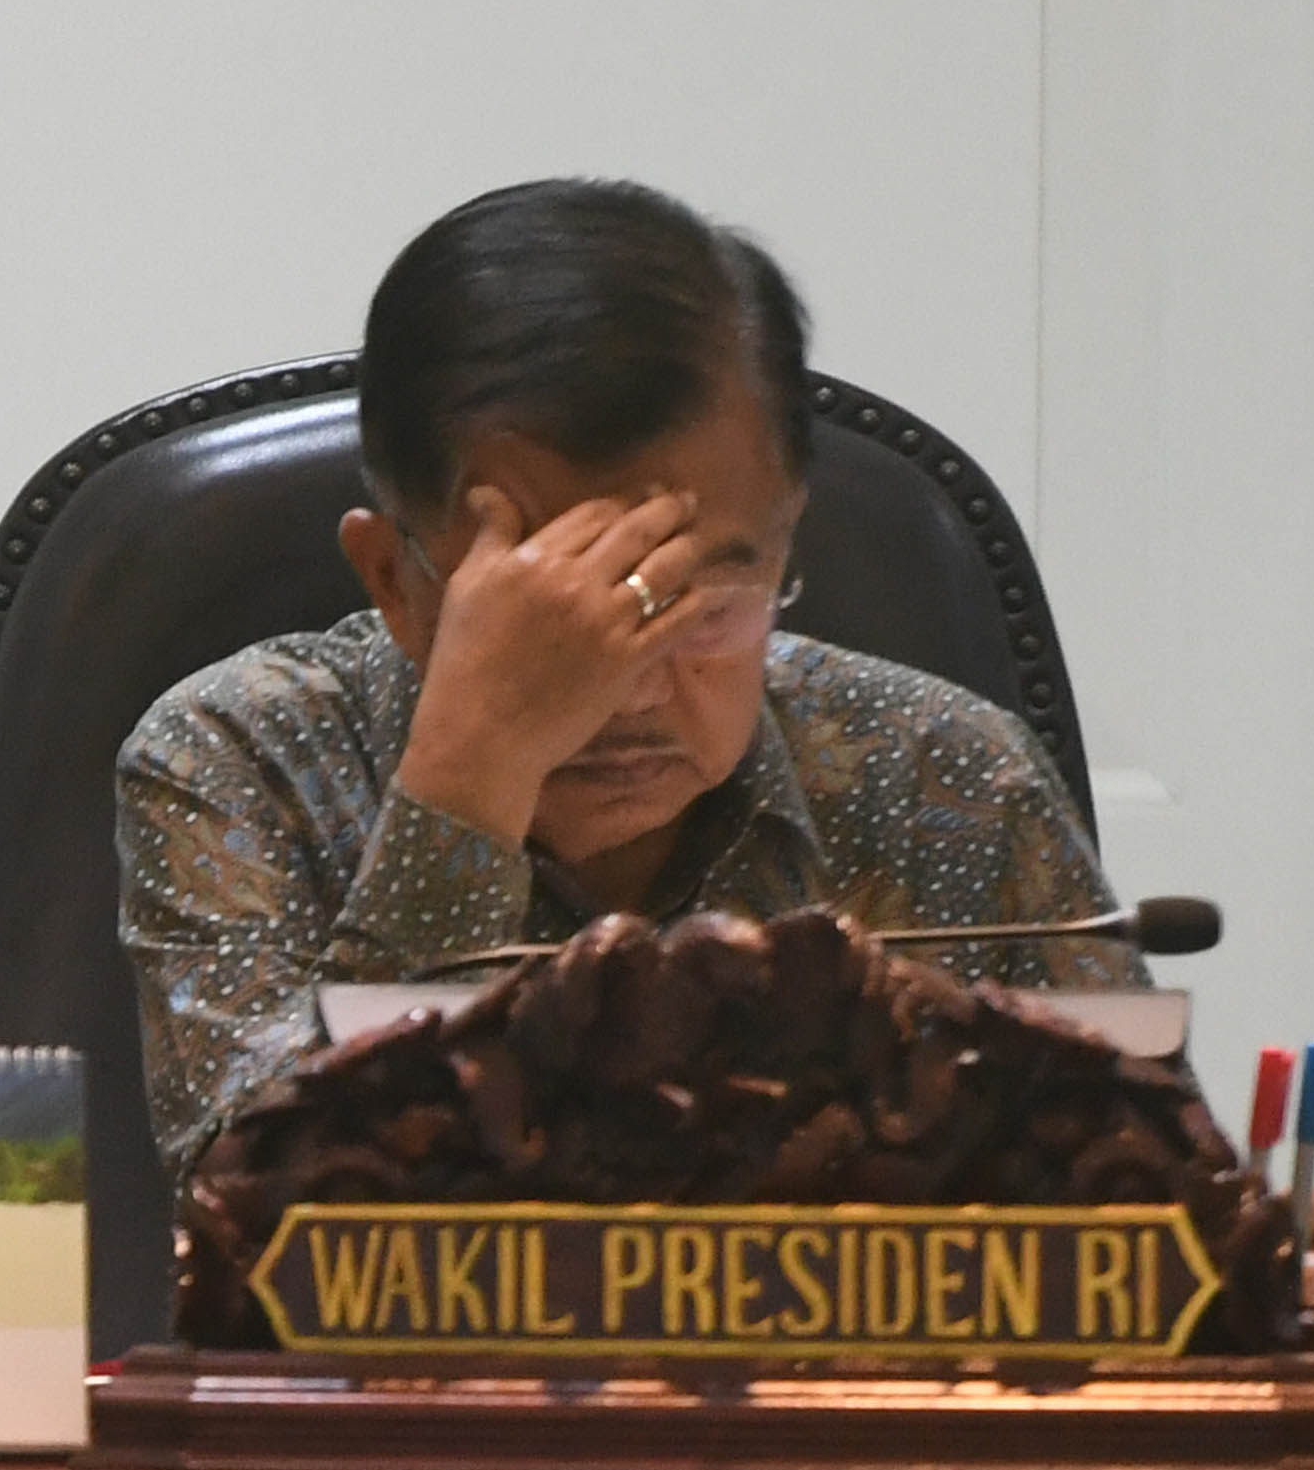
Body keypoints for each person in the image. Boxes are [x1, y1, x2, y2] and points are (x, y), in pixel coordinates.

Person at [117, 177, 1139, 1173]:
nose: (633, 692)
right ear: (391, 574)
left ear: (783, 548)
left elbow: (1150, 1219)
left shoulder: (948, 778)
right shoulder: (244, 755)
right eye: (542, 624)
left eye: (700, 605)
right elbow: (250, 1222)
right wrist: (468, 781)